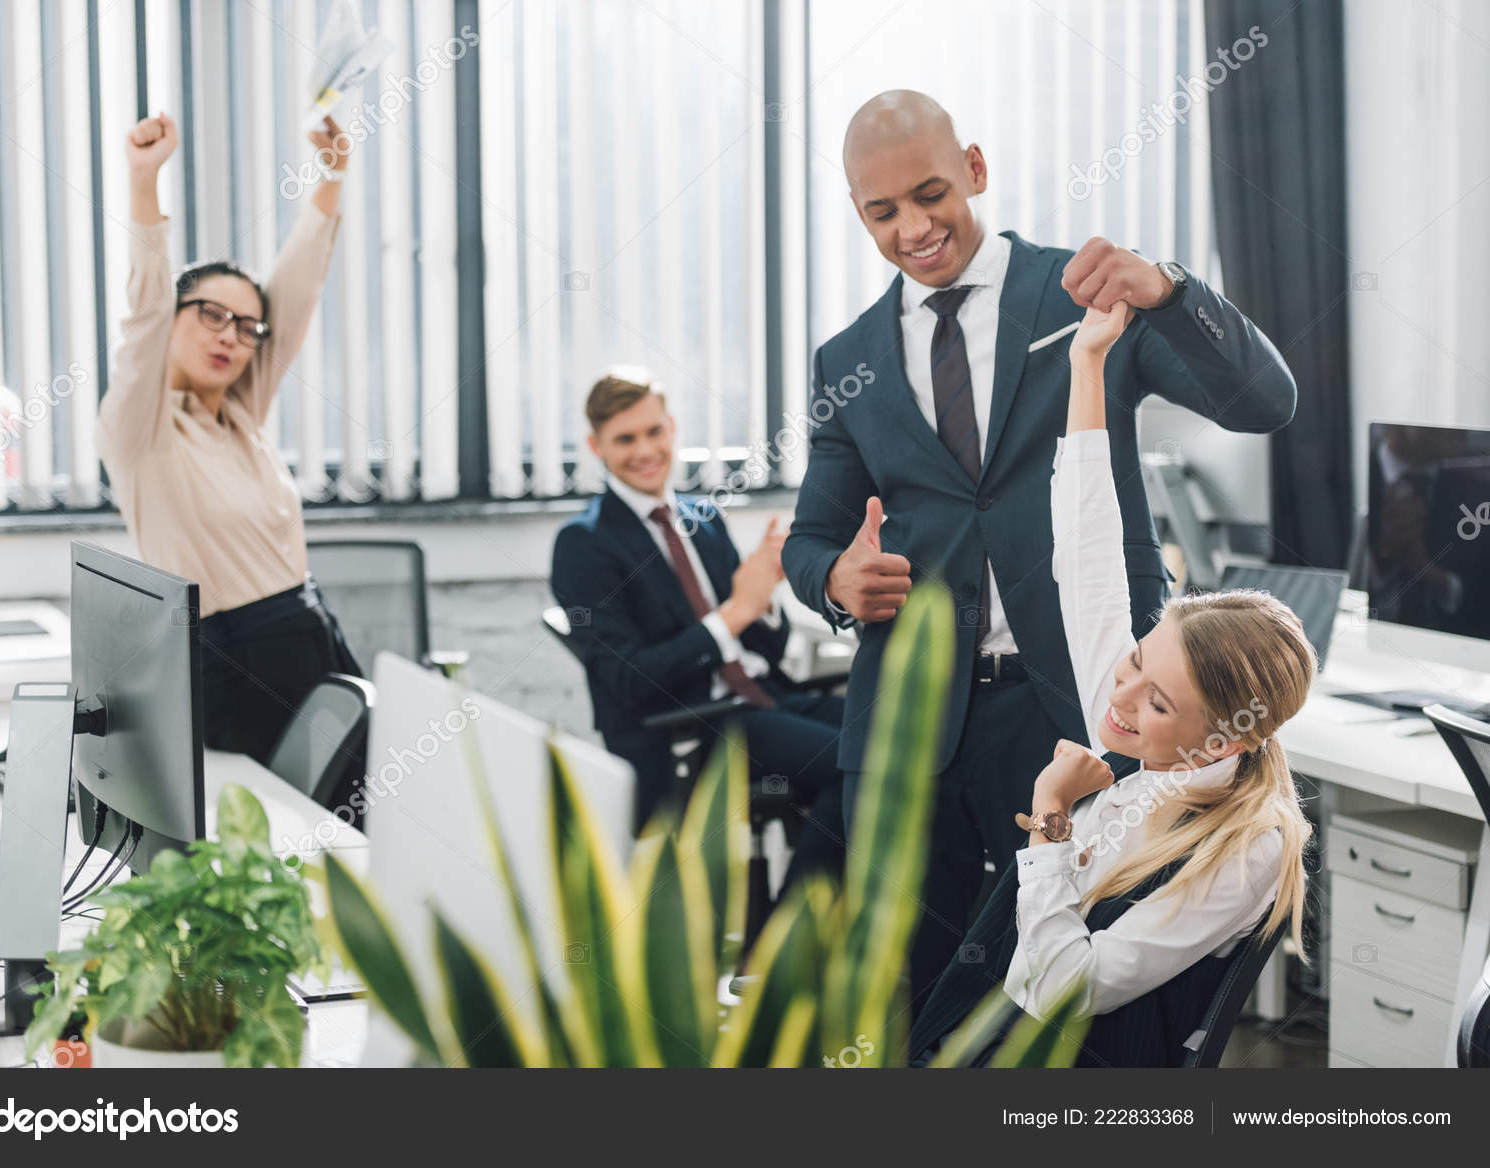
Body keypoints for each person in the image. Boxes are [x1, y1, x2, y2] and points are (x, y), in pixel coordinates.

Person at [780, 90, 1299, 1015]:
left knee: (1072, 991)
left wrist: (1173, 293)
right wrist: (831, 579)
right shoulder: (845, 359)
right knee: (909, 985)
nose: (914, 227)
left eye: (931, 193)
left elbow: (1265, 405)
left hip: (1091, 704)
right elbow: (812, 537)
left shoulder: (1090, 294)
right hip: (912, 723)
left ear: (975, 169)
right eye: (882, 211)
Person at [906, 300, 1314, 1067]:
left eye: (1159, 702)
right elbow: (1088, 554)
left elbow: (1064, 989)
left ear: (1227, 735)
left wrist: (1052, 818)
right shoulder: (1133, 732)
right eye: (1135, 664)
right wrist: (1087, 364)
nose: (1119, 701)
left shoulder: (1248, 843)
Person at [95, 111, 361, 768]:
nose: (229, 335)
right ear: (175, 319)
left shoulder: (241, 413)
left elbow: (293, 300)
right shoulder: (139, 430)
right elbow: (144, 311)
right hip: (235, 663)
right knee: (282, 830)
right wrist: (143, 181)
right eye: (211, 314)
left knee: (359, 818)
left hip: (310, 637)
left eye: (245, 327)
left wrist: (331, 178)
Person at [551, 371, 846, 885]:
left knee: (899, 739)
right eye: (625, 439)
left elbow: (765, 653)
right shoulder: (585, 544)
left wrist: (763, 598)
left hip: (764, 700)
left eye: (653, 432)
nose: (645, 450)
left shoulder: (703, 519)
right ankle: (790, 944)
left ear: (672, 428)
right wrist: (733, 612)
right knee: (857, 767)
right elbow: (630, 680)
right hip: (688, 729)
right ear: (596, 446)